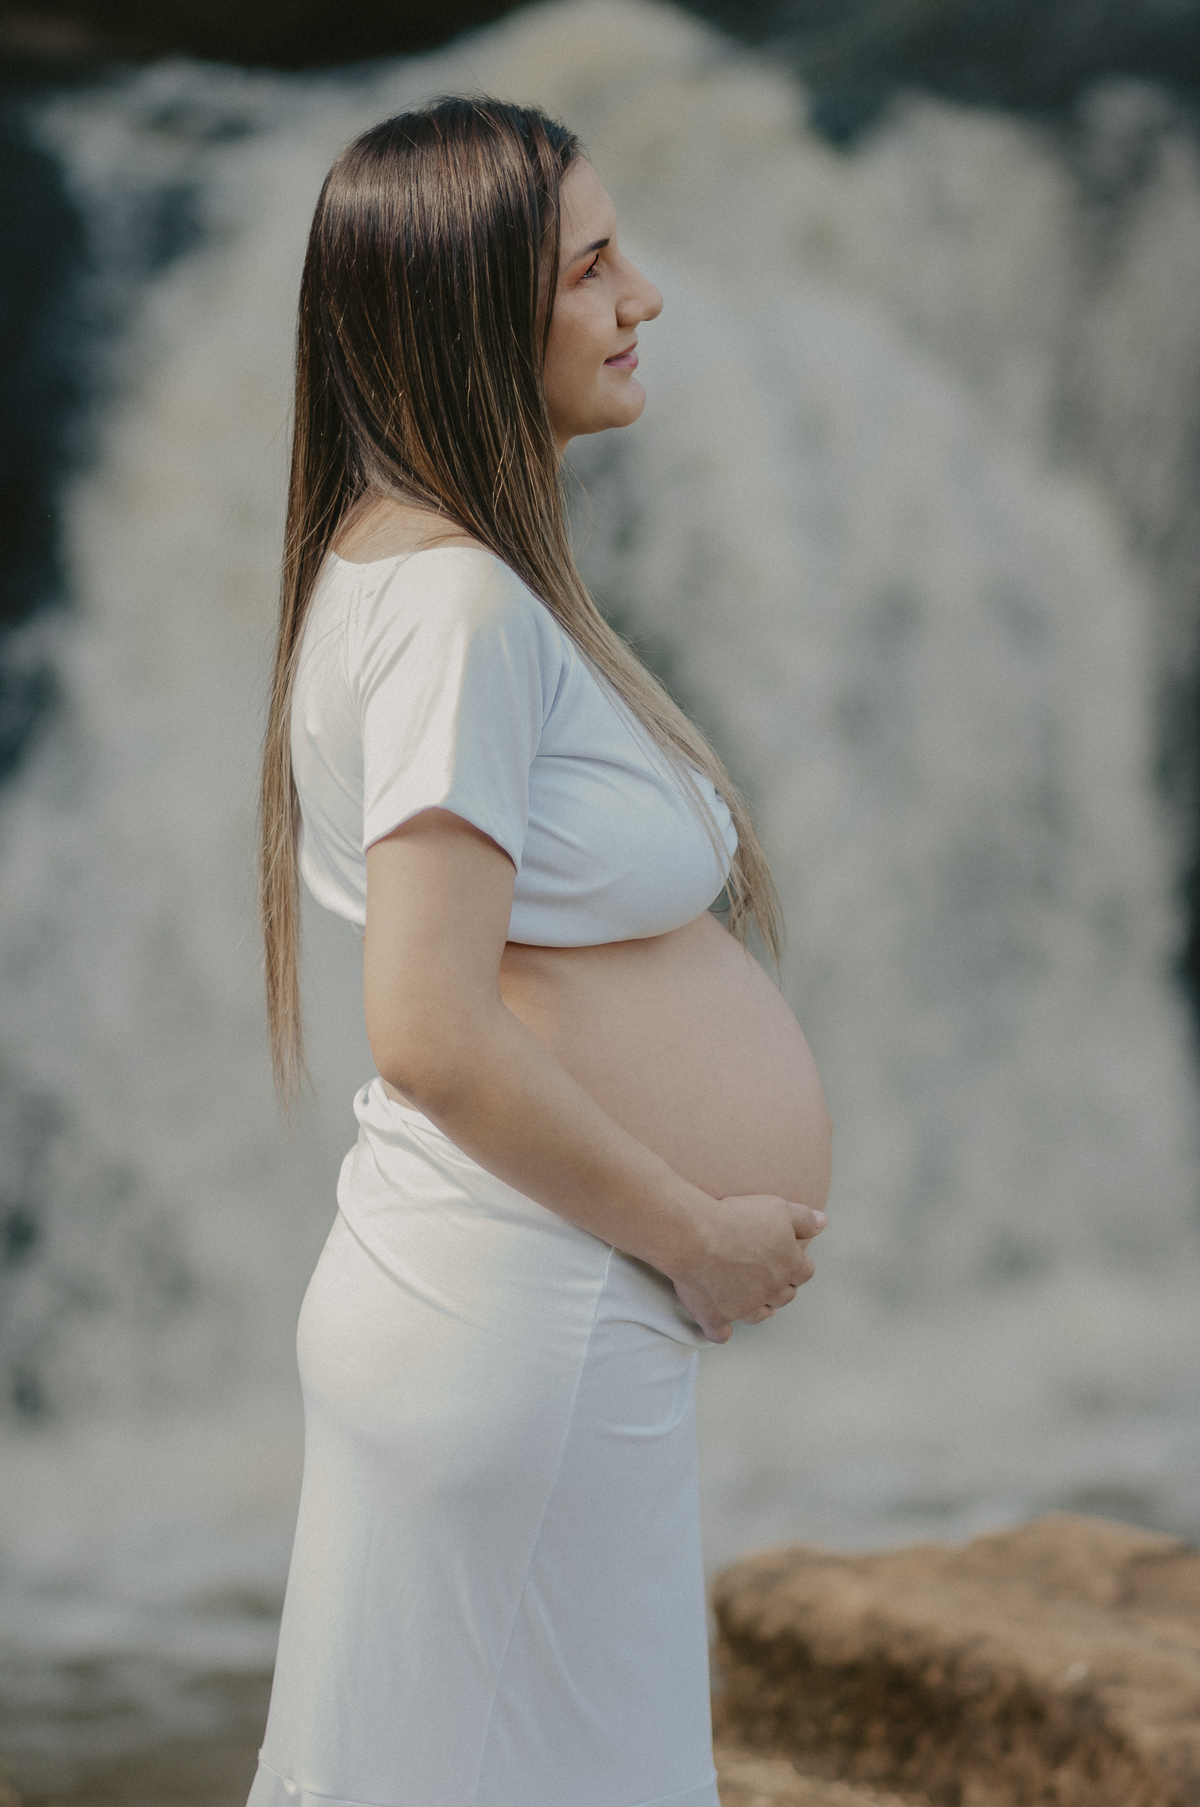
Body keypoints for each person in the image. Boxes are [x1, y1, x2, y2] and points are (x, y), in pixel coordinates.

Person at [252, 96, 832, 1807]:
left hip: (501, 1312)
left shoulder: (390, 572)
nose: (640, 296)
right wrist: (702, 1238)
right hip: (529, 1314)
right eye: (590, 267)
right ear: (467, 312)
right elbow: (427, 1026)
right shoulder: (453, 607)